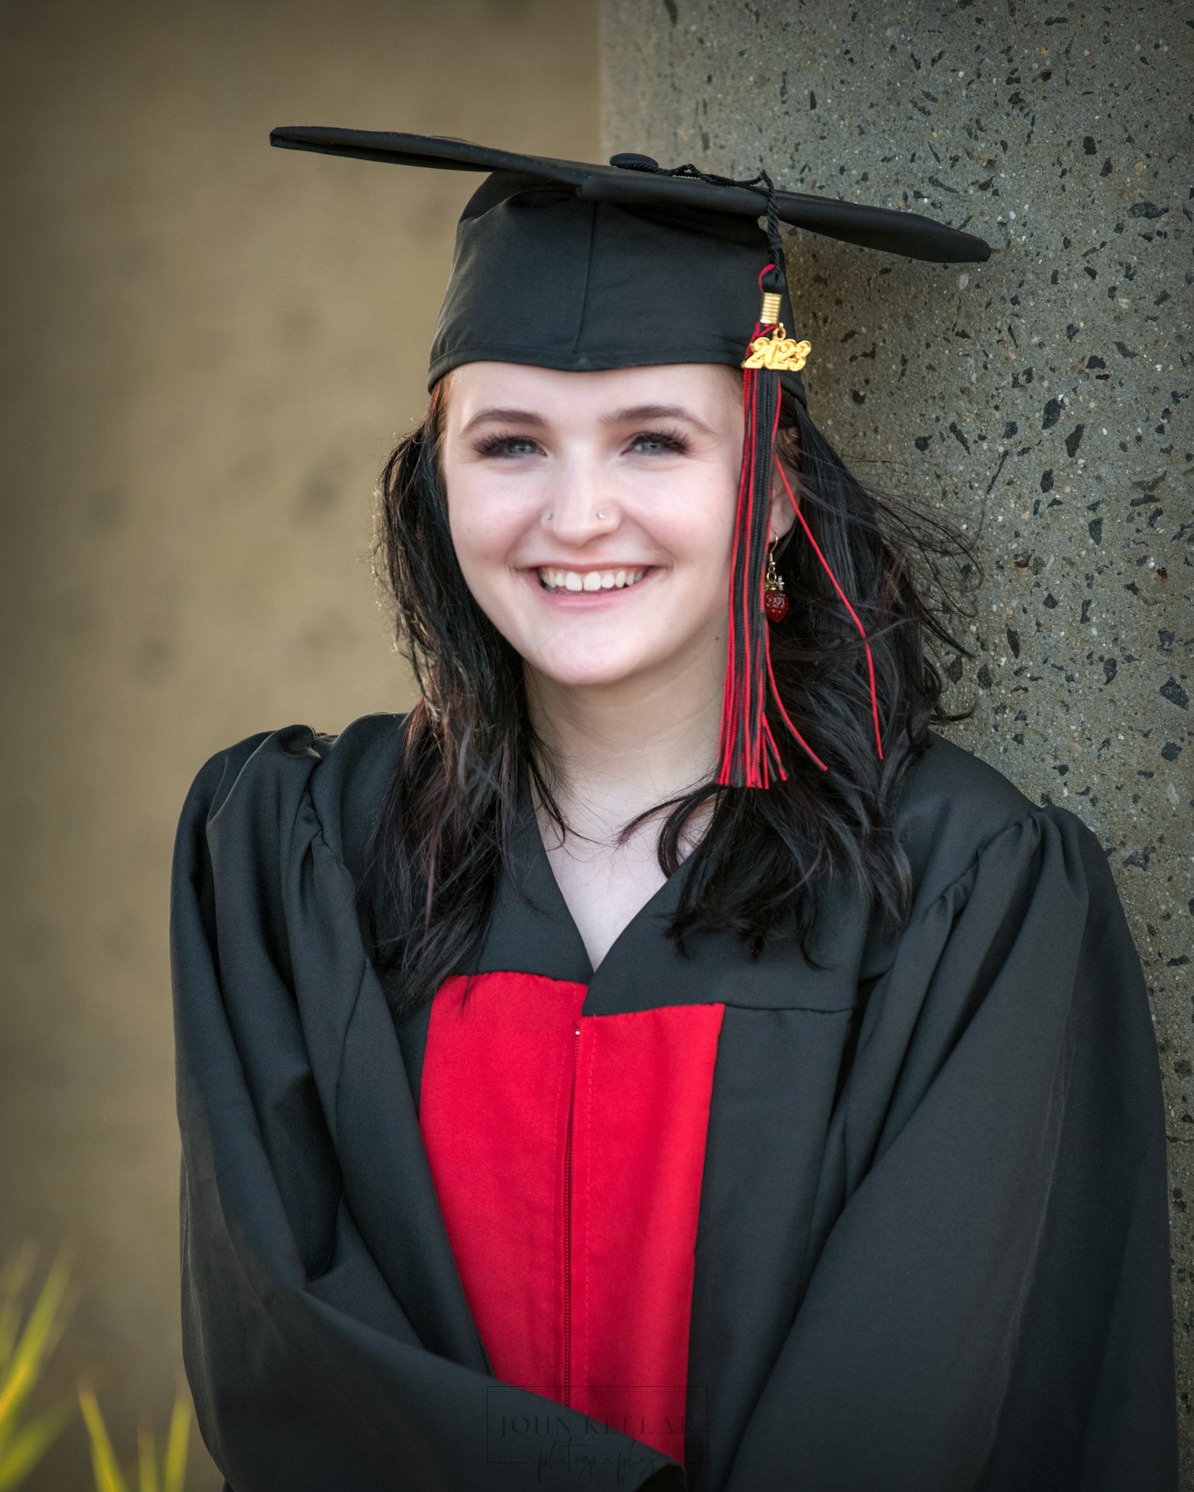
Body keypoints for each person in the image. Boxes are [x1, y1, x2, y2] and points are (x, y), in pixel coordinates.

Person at [170, 128, 1178, 1491]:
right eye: (509, 444)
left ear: (766, 490)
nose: (577, 515)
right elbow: (283, 1346)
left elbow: (935, 1398)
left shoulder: (960, 890)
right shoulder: (300, 857)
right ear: (437, 482)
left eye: (653, 440)